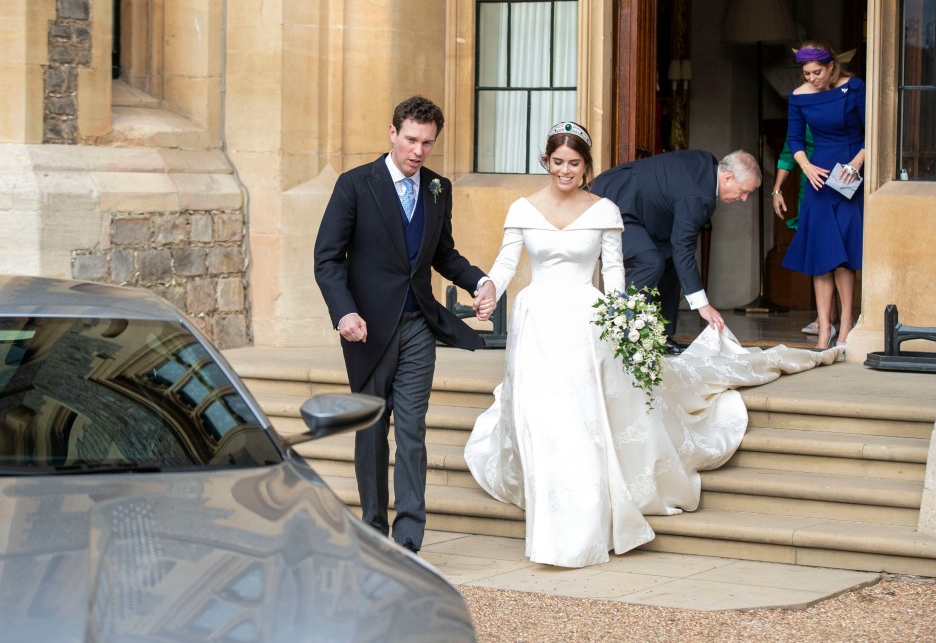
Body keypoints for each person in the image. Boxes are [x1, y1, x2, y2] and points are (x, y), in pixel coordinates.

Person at [464, 122, 841, 568]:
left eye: (575, 163)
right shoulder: (522, 208)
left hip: (586, 321)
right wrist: (487, 288)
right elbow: (506, 263)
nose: (565, 170)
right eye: (558, 162)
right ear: (548, 162)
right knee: (542, 417)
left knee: (580, 418)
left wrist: (626, 319)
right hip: (536, 322)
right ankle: (548, 515)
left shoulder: (605, 210)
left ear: (586, 167)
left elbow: (616, 272)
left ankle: (582, 523)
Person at [314, 95, 496, 553]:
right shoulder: (355, 185)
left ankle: (409, 535)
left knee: (413, 428)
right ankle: (374, 531)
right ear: (392, 133)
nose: (418, 151)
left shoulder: (439, 188)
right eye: (411, 139)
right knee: (372, 428)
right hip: (368, 331)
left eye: (428, 143)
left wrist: (480, 281)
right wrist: (344, 312)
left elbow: (443, 254)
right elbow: (327, 258)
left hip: (418, 326)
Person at [589, 149, 761, 352]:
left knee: (669, 258)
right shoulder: (699, 196)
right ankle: (624, 332)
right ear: (728, 177)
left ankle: (661, 336)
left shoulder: (707, 163)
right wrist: (702, 305)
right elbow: (684, 247)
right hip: (611, 202)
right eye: (743, 191)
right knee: (650, 262)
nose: (744, 198)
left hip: (634, 207)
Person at [782, 41, 866, 350]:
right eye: (806, 73)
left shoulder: (855, 88)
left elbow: (873, 131)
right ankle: (823, 332)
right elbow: (793, 138)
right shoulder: (799, 97)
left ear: (832, 66)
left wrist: (857, 163)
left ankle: (845, 328)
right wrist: (806, 167)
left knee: (843, 255)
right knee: (821, 256)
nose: (812, 78)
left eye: (817, 72)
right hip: (818, 178)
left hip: (848, 174)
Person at [772, 128, 838, 339]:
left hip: (841, 181)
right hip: (812, 187)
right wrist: (777, 189)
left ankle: (841, 319)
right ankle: (826, 318)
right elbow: (788, 152)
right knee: (819, 251)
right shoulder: (803, 110)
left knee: (838, 248)